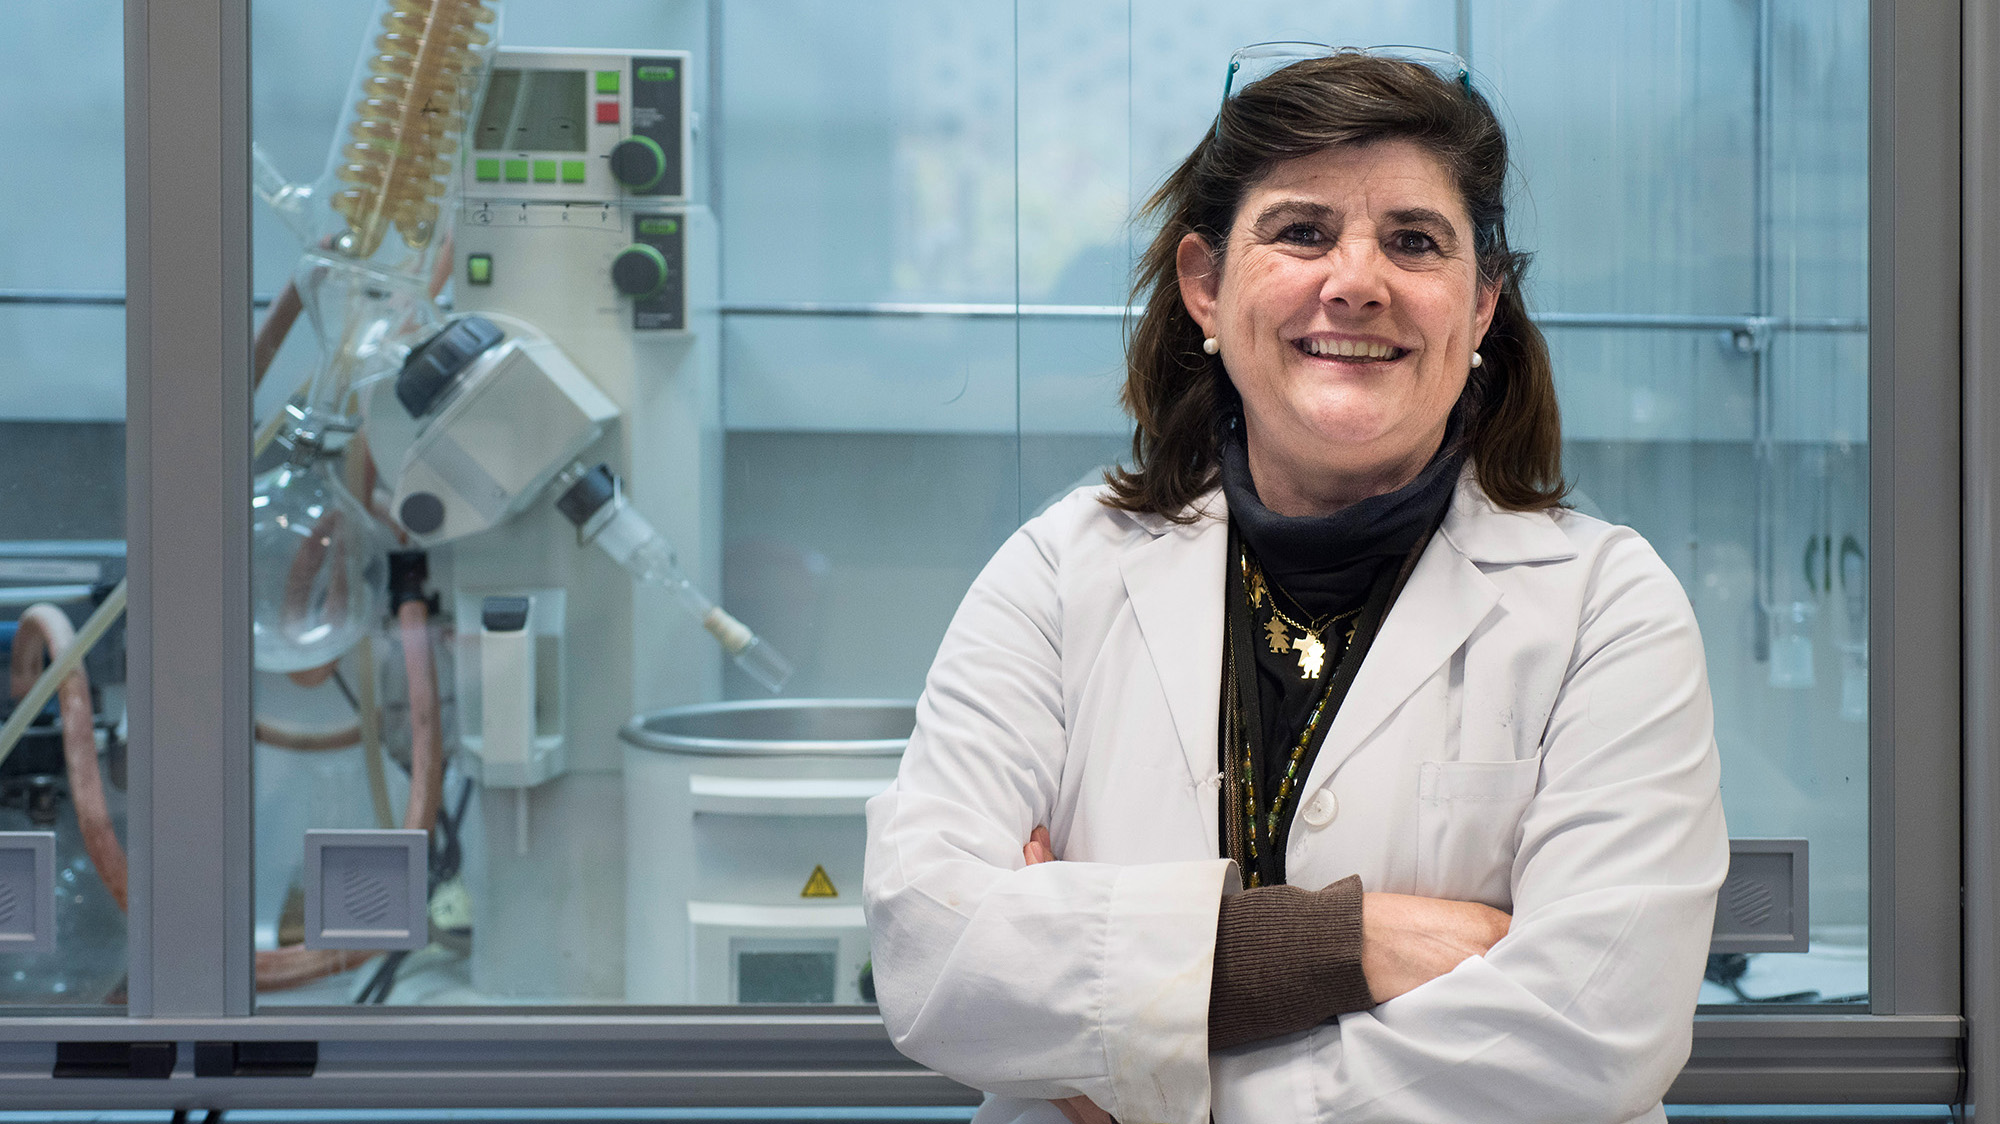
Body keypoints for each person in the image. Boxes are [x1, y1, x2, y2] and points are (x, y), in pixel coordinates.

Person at [863, 46, 1727, 1124]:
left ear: (1479, 307)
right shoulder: (1057, 574)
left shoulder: (1603, 605)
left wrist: (1130, 1056)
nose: (1354, 280)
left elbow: (1590, 1032)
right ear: (1205, 289)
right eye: (1300, 231)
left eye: (1413, 241)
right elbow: (930, 953)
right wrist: (1348, 941)